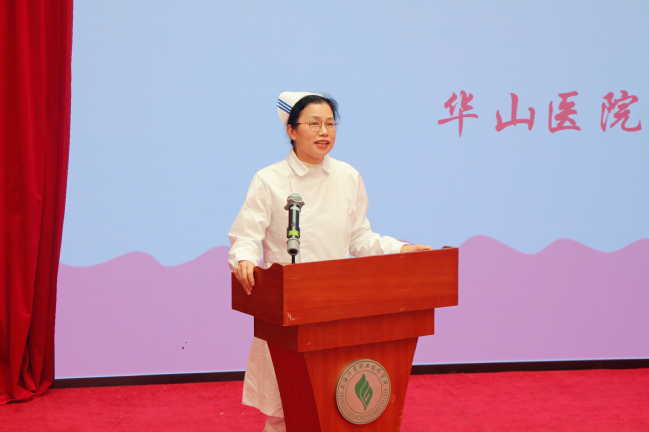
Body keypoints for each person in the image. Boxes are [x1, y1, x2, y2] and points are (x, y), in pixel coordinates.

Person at [228, 92, 432, 432]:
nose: (324, 132)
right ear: (292, 131)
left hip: (336, 310)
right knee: (287, 410)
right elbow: (246, 235)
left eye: (330, 124)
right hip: (288, 309)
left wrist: (400, 250)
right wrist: (245, 259)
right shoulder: (269, 179)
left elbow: (359, 238)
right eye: (314, 123)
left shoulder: (348, 176)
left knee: (335, 407)